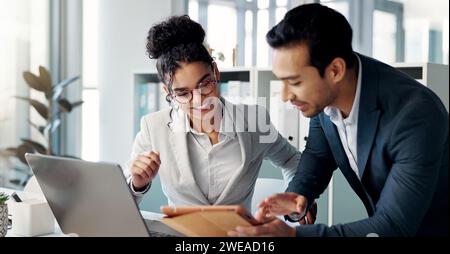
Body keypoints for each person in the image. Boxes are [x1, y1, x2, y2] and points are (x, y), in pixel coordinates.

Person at [228, 3, 448, 237]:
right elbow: (319, 155)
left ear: (335, 70)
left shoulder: (416, 115)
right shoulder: (326, 98)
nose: (285, 96)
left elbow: (393, 226)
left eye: (294, 82)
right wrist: (299, 196)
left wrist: (294, 236)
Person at [124, 15, 316, 223]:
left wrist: (299, 195)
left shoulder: (254, 121)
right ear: (167, 92)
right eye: (183, 93)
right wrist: (138, 183)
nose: (199, 101)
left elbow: (291, 159)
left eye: (204, 84)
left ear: (215, 72)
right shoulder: (153, 128)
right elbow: (123, 203)